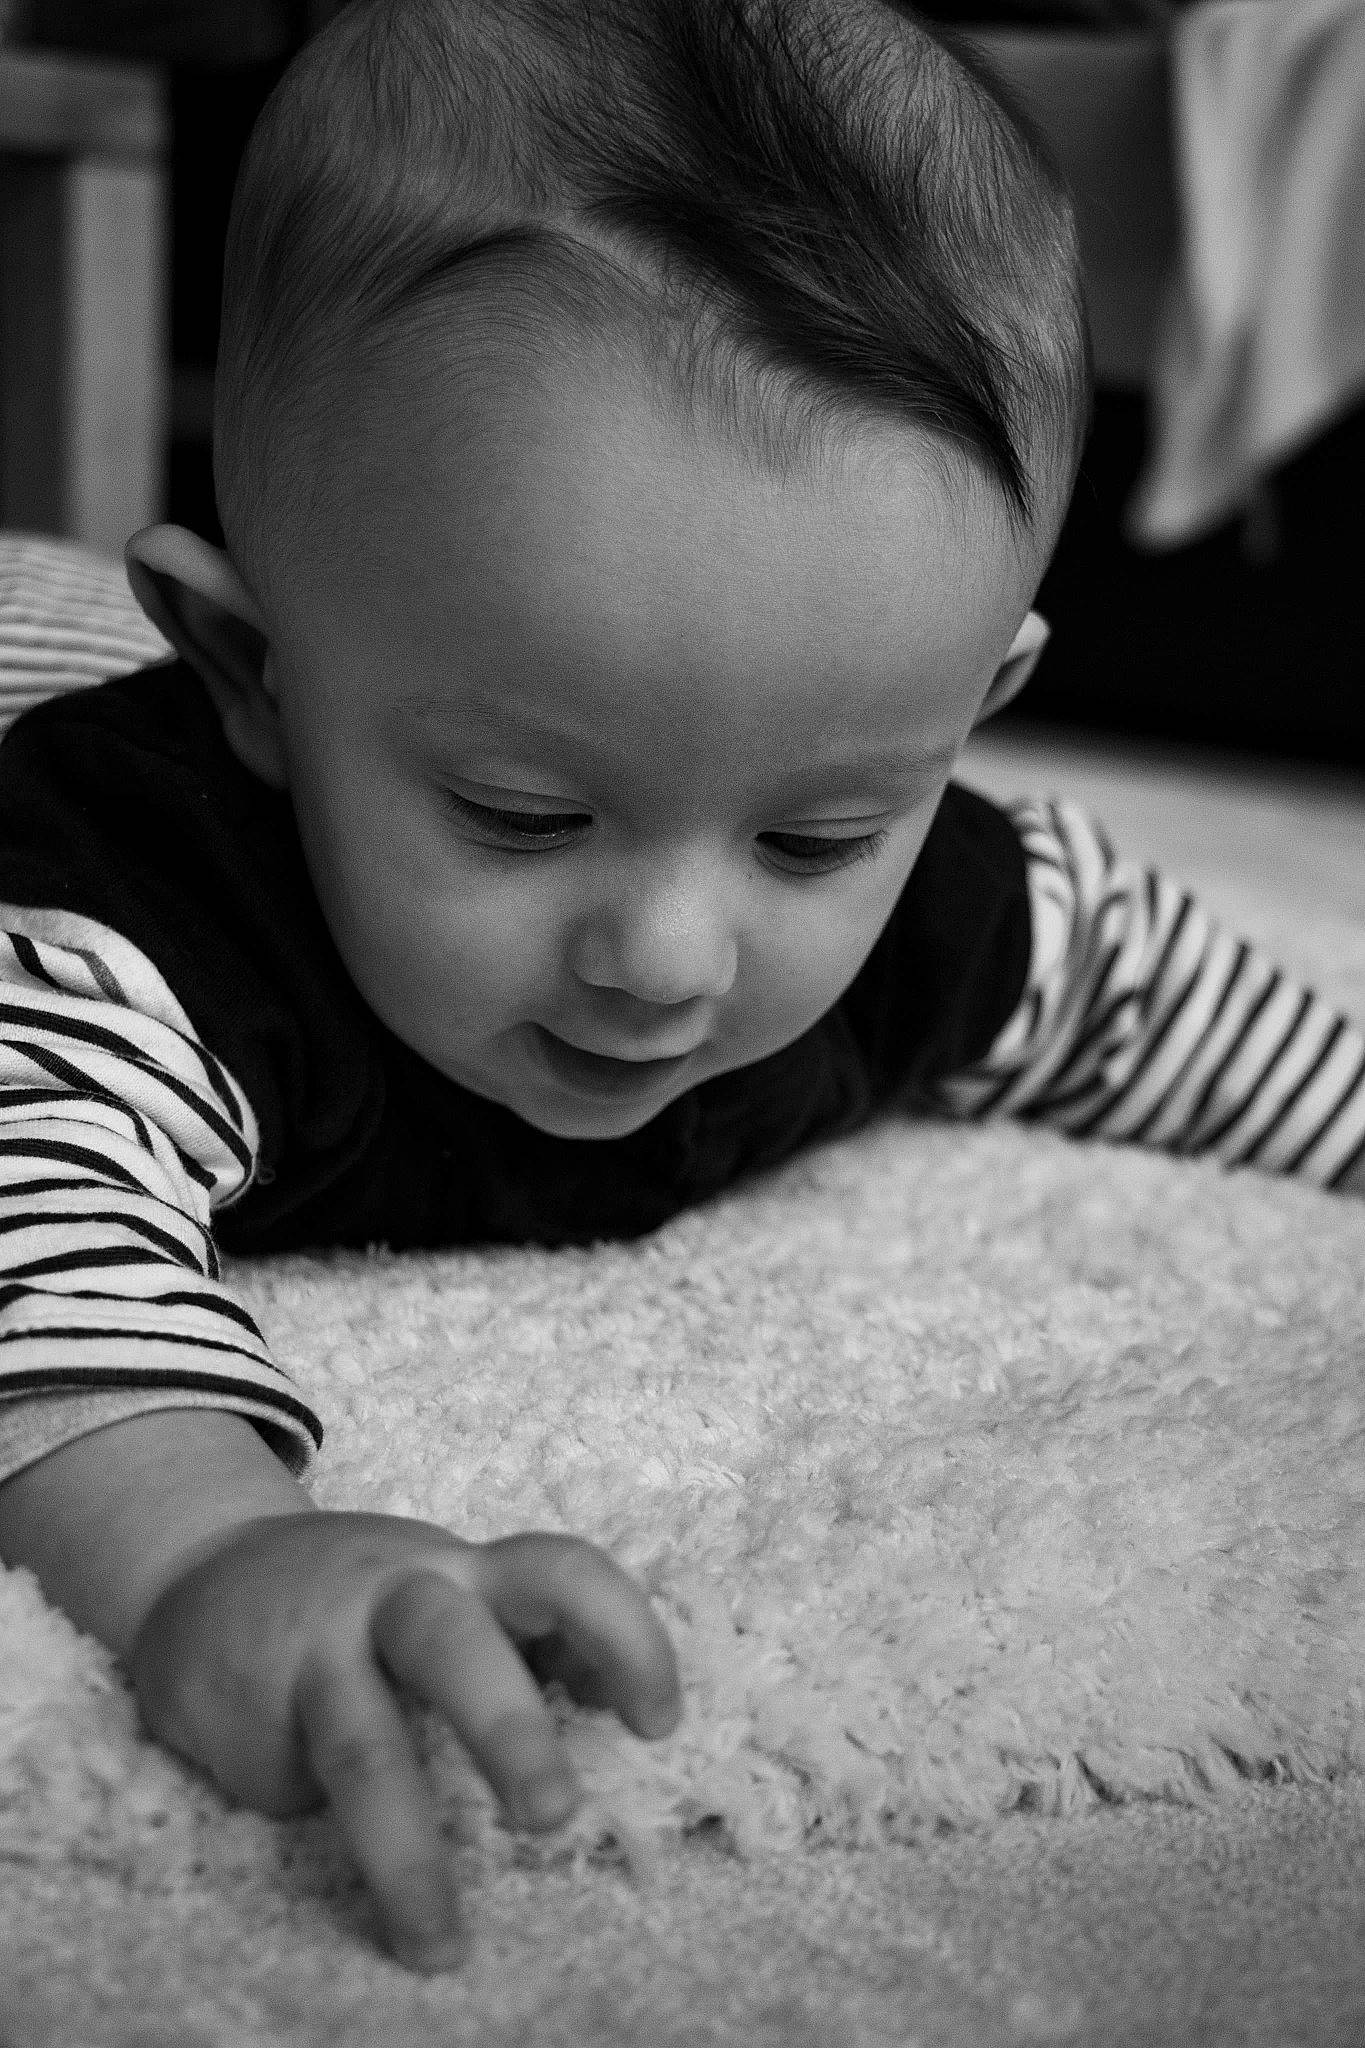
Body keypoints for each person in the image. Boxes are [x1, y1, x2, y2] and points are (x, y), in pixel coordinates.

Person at [0, 0, 1360, 1977]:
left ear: (969, 716)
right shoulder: (119, 936)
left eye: (811, 837)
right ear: (248, 671)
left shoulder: (951, 893)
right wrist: (209, 1547)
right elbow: (28, 1211)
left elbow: (1170, 994)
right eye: (522, 809)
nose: (665, 956)